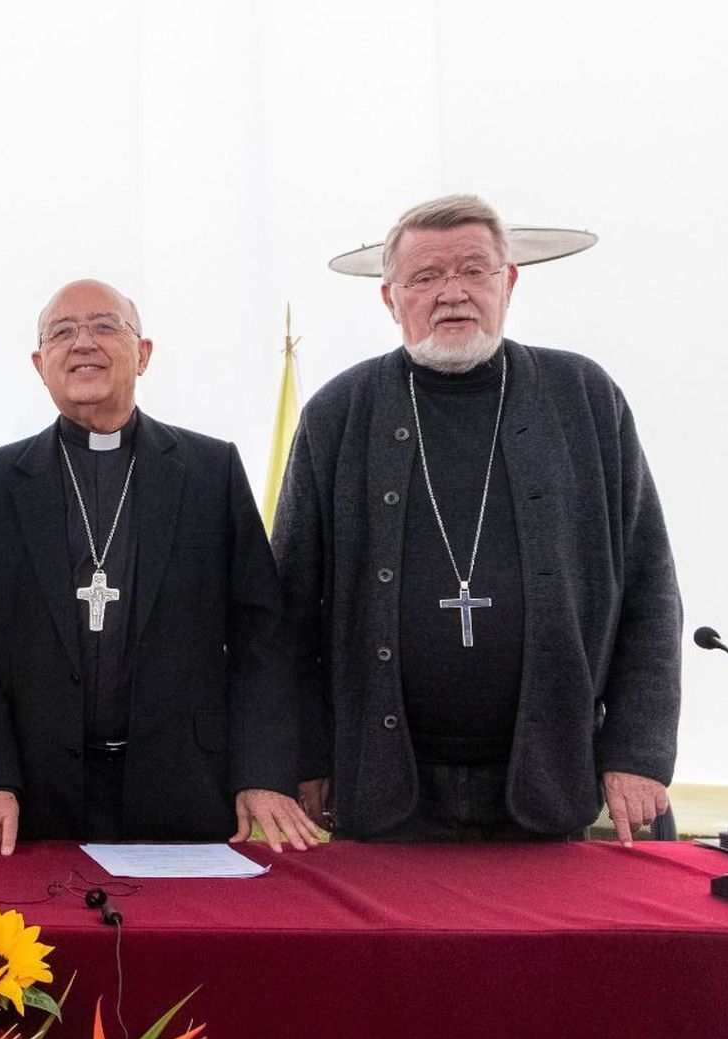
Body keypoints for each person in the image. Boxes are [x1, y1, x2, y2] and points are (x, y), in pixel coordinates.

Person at [272, 194, 681, 844]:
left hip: (548, 785)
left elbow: (650, 590)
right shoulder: (339, 414)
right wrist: (306, 757)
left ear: (508, 282)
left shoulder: (584, 398)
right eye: (427, 277)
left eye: (472, 270)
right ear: (390, 298)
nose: (452, 293)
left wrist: (637, 751)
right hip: (382, 790)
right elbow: (288, 611)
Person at [0, 279, 322, 855]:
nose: (82, 343)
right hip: (30, 796)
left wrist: (262, 772)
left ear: (142, 353)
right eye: (62, 333)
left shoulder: (209, 471)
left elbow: (260, 637)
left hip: (183, 787)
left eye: (104, 326)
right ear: (40, 364)